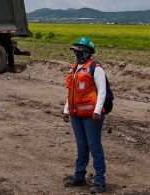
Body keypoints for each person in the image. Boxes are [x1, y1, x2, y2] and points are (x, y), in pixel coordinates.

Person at [63, 36, 108, 193]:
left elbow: (102, 91)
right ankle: (79, 176)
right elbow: (72, 92)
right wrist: (66, 109)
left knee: (94, 146)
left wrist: (97, 110)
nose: (76, 54)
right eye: (75, 51)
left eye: (79, 51)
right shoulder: (74, 68)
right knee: (81, 146)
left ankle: (100, 181)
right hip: (76, 114)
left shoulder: (96, 68)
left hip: (91, 115)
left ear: (87, 52)